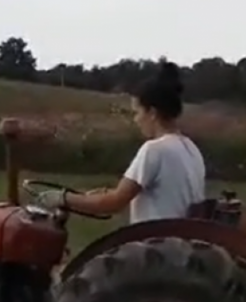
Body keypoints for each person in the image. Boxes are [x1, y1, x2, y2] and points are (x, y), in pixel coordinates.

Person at [36, 61, 206, 224]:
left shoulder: (155, 150)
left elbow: (114, 203)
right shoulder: (191, 150)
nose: (136, 119)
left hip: (154, 245)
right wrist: (92, 197)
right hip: (180, 242)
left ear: (152, 113)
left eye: (137, 112)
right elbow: (149, 196)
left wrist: (63, 198)